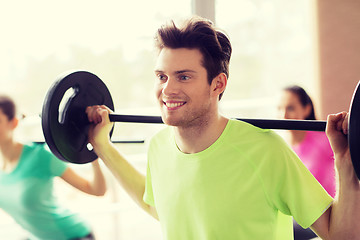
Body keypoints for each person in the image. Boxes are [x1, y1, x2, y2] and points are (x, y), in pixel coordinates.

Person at [86, 16, 360, 239]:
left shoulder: (264, 150)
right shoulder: (158, 147)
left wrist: (345, 162)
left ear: (218, 84)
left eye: (183, 76)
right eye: (161, 76)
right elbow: (155, 205)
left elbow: (340, 235)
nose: (167, 89)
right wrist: (102, 146)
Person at [0, 95, 107, 240]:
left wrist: (94, 150)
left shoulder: (40, 156)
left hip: (73, 236)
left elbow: (97, 190)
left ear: (13, 123)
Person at [278, 86, 336, 239]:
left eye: (290, 108)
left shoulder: (325, 139)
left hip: (326, 215)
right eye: (280, 108)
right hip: (299, 214)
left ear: (306, 109)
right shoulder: (281, 147)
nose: (283, 115)